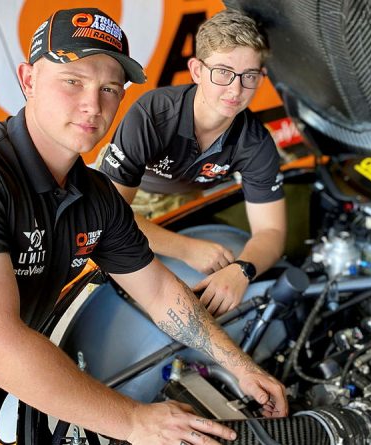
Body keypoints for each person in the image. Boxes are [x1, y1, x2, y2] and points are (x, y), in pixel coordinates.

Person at [0, 8, 287, 445]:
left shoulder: (97, 197)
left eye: (110, 88)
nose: (93, 103)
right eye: (72, 80)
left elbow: (161, 294)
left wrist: (240, 365)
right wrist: (134, 421)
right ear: (28, 79)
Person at [98, 9, 287, 317]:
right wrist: (186, 248)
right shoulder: (153, 114)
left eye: (249, 76)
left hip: (186, 195)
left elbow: (272, 231)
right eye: (223, 72)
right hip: (128, 194)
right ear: (197, 71)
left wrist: (243, 270)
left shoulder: (256, 141)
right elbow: (107, 218)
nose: (236, 89)